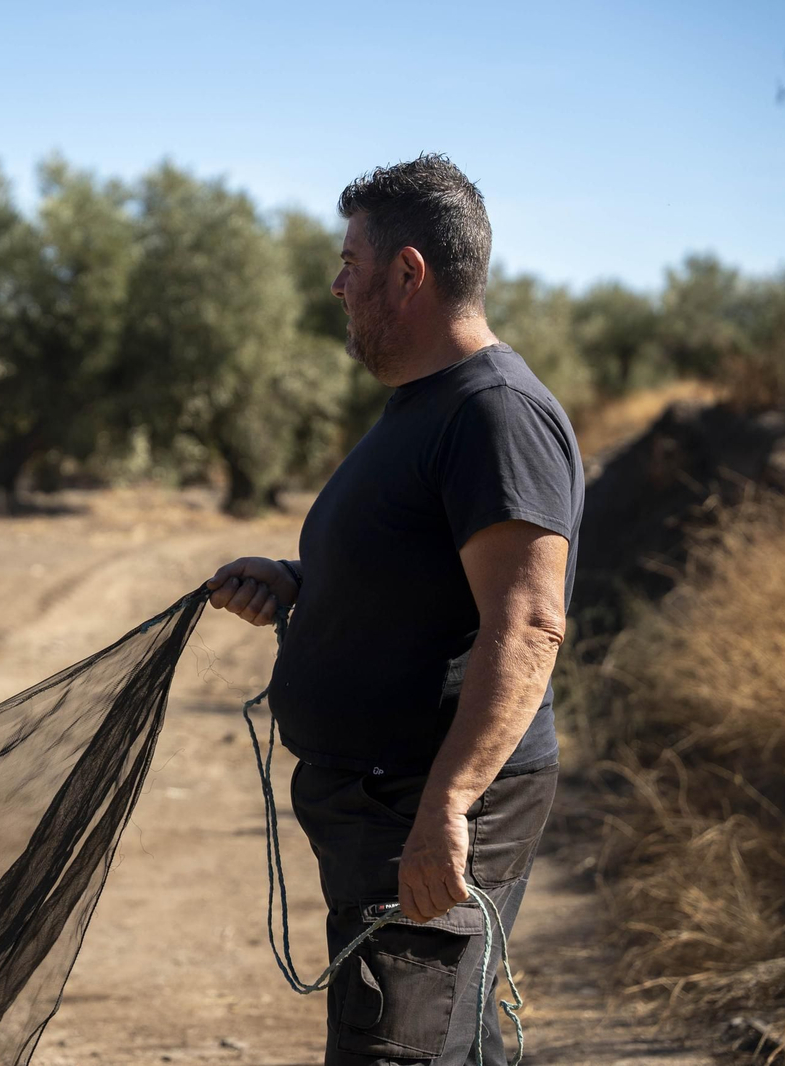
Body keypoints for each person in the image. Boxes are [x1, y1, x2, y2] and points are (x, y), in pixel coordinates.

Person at [206, 154, 584, 1066]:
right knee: (454, 1040)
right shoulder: (425, 405)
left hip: (427, 797)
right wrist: (302, 582)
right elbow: (428, 575)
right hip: (389, 800)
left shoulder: (495, 412)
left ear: (408, 273)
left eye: (350, 263)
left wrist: (447, 807)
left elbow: (528, 624)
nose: (337, 286)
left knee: (401, 1051)